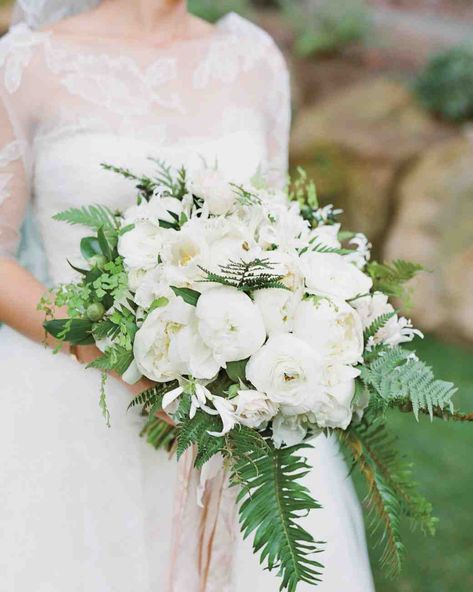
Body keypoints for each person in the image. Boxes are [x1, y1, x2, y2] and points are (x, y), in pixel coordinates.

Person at [0, 1, 375, 590]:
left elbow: (273, 234)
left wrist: (280, 334)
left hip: (233, 424)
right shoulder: (28, 62)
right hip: (73, 412)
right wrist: (109, 348)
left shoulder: (253, 60)